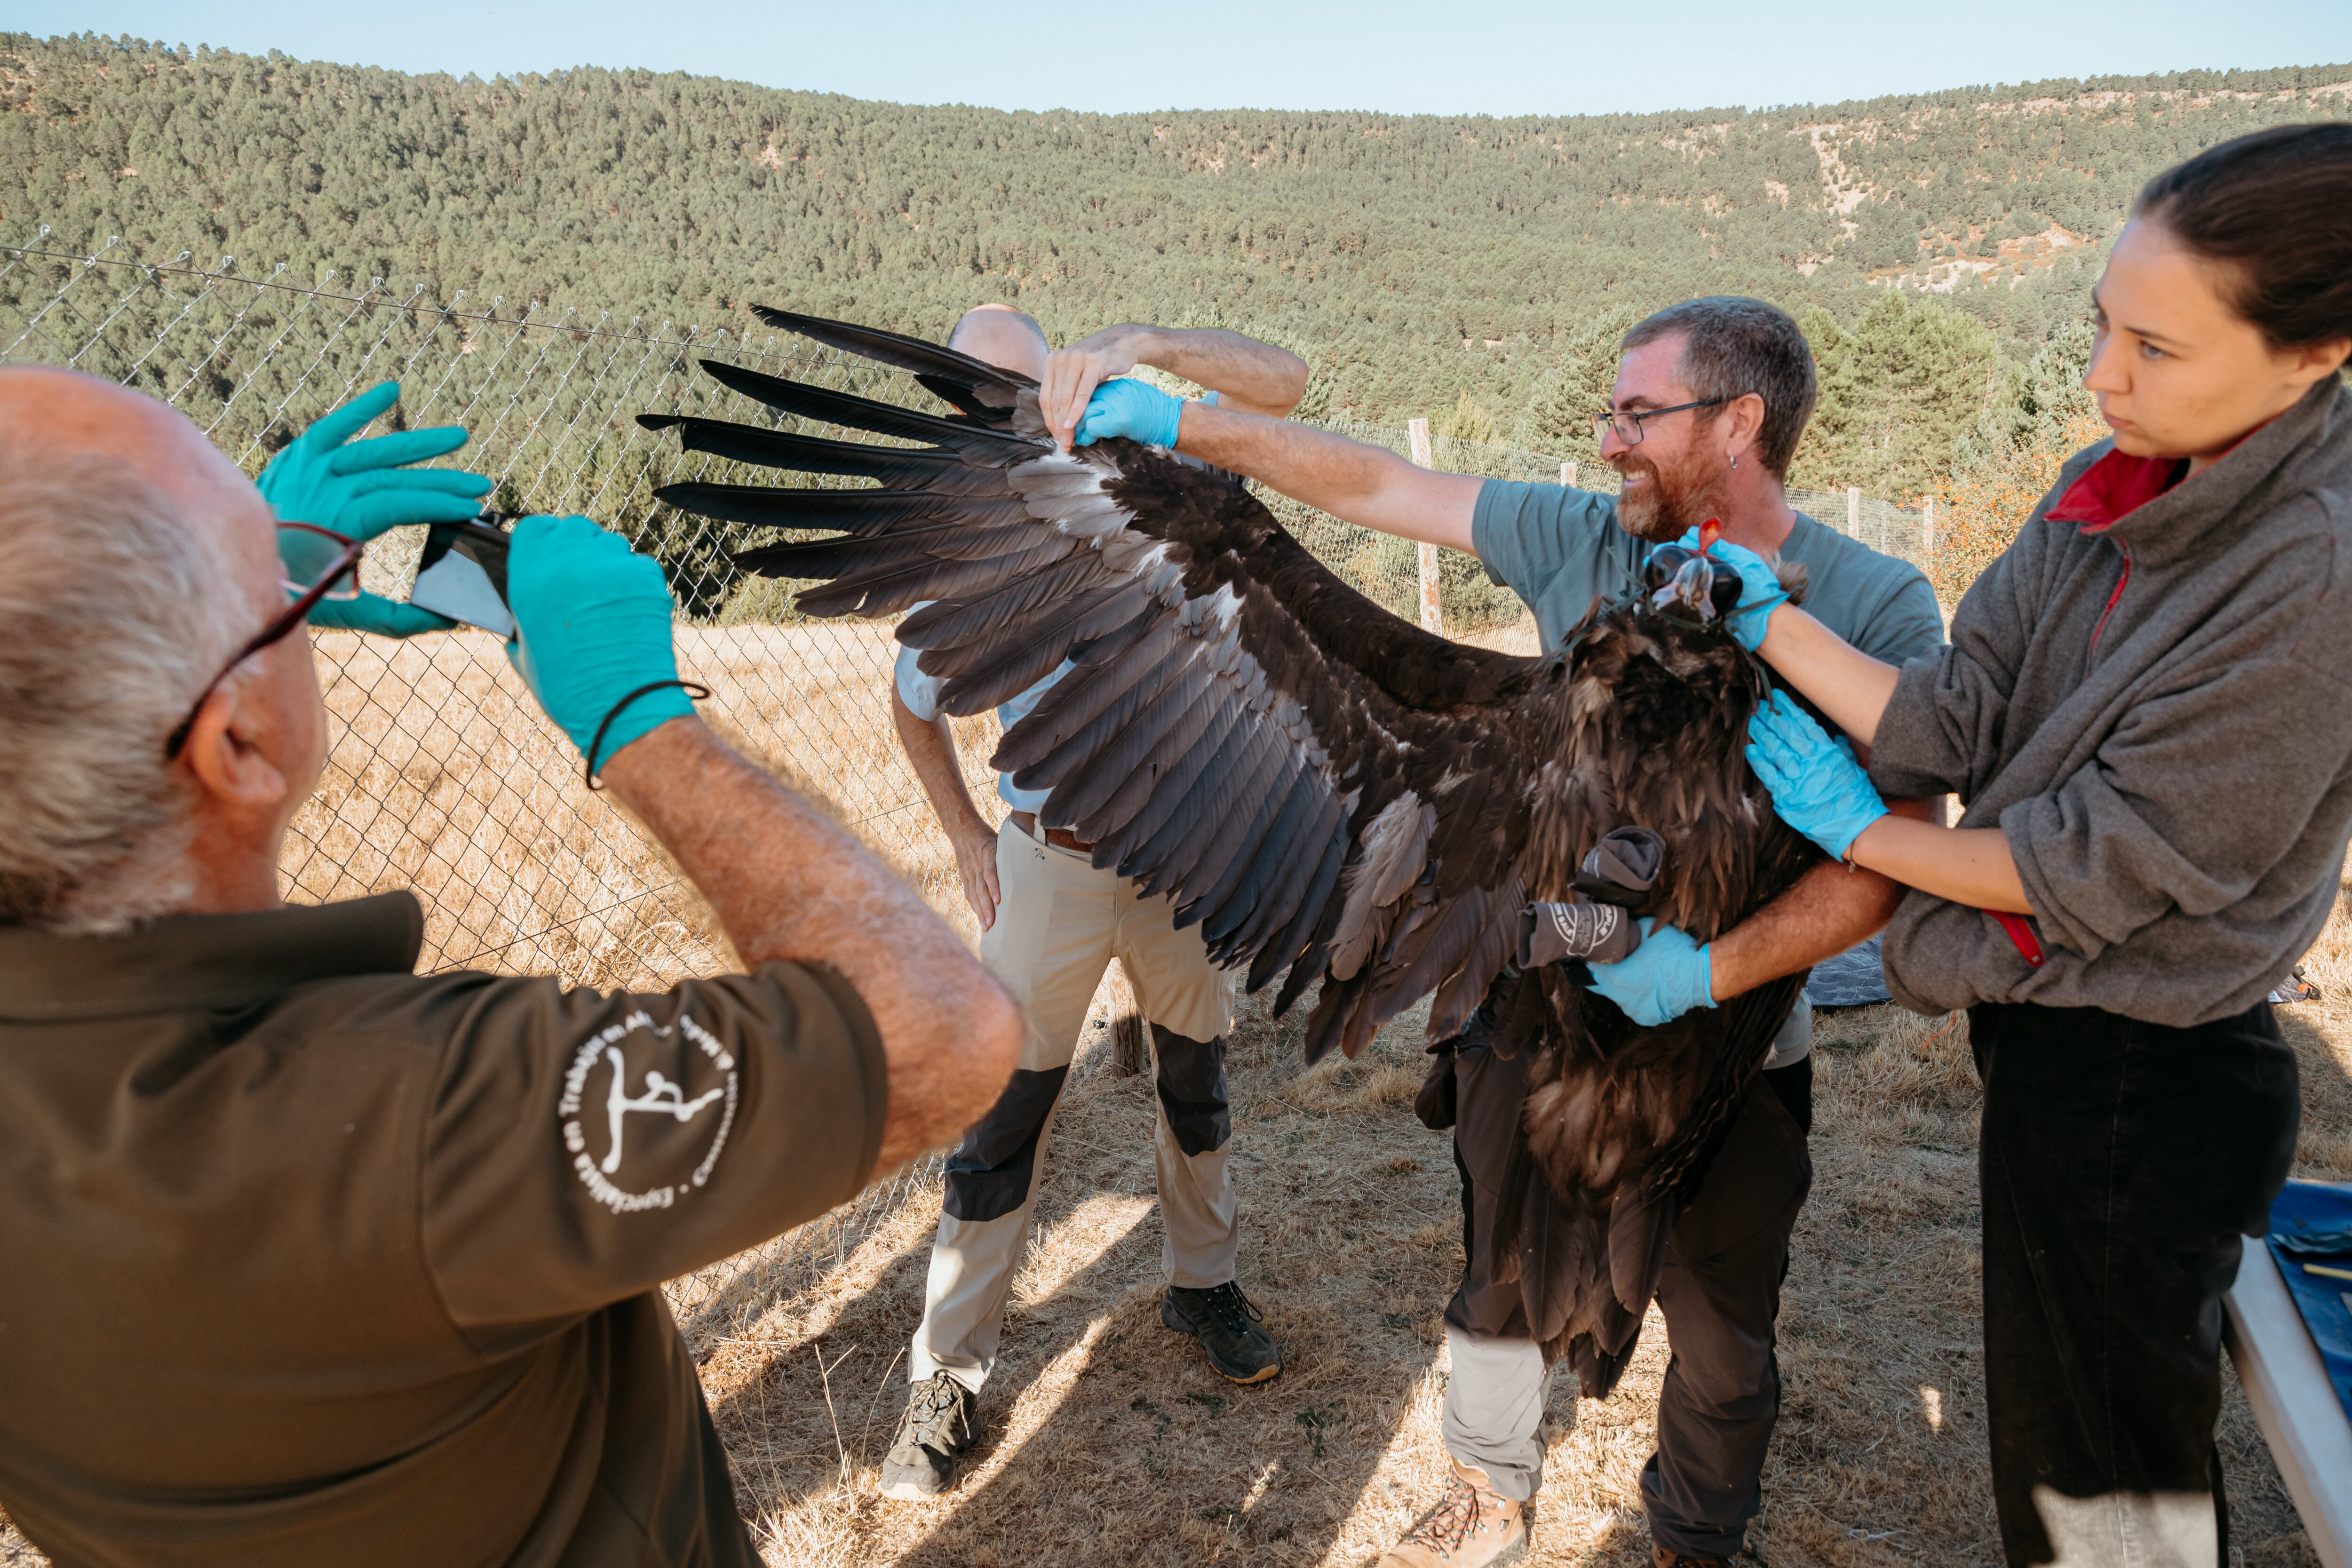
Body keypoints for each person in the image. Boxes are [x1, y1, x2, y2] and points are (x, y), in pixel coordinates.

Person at [0, 370, 1023, 1567]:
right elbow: (937, 1030)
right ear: (236, 742)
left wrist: (241, 599)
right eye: (267, 582)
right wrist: (639, 716)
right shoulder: (411, 1117)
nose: (297, 580)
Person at [1057, 298, 1947, 1567]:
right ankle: (1488, 1487)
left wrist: (1703, 972)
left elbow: (1901, 855)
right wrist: (1173, 418)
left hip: (1738, 1038)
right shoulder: (1578, 532)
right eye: (1611, 412)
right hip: (1536, 997)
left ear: (1740, 422)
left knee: (1724, 1322)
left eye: (1639, 414)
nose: (1609, 440)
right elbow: (1377, 479)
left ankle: (1698, 1536)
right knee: (1499, 1279)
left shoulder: (1872, 601)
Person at [1728, 123, 2352, 1567]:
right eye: (2099, 330)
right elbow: (1954, 708)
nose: (2102, 379)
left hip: (2151, 1073)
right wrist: (1775, 616)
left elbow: (2087, 862)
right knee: (2087, 1449)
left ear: (2317, 353)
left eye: (2156, 347)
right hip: (2055, 1037)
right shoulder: (2116, 478)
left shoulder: (2312, 575)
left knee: (2100, 1503)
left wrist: (1863, 828)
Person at [881, 304, 1311, 1501]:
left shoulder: (1152, 468)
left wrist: (1147, 344)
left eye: (1026, 386)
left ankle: (1202, 1284)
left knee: (1196, 1080)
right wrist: (968, 838)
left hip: (1181, 858)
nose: (1009, 414)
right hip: (1050, 864)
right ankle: (947, 1377)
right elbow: (914, 702)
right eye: (980, 397)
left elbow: (1286, 377)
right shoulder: (973, 540)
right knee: (1001, 1116)